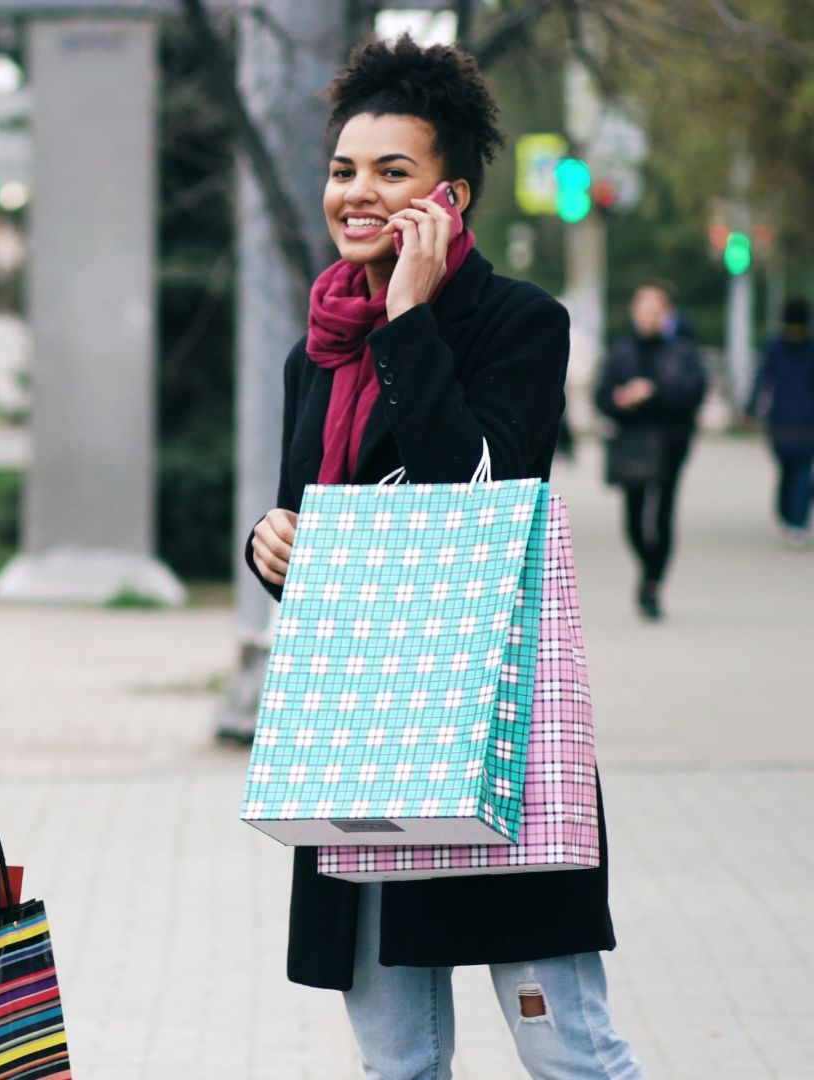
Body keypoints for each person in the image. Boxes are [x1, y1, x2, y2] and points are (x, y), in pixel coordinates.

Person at [244, 36, 643, 1079]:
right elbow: (310, 516)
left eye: (392, 171)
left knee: (572, 1052)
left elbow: (474, 495)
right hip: (361, 736)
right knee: (399, 1064)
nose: (357, 194)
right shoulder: (316, 353)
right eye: (343, 170)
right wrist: (269, 542)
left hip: (483, 723)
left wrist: (411, 317)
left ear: (450, 196)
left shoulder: (518, 325)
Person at [594, 280, 708, 620]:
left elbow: (693, 393)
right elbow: (601, 397)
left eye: (656, 308)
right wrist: (620, 399)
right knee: (633, 521)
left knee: (662, 516)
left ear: (667, 314)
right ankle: (649, 567)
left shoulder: (682, 352)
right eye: (643, 307)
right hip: (632, 446)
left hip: (671, 444)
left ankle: (652, 584)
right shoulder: (620, 353)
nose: (649, 315)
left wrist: (655, 392)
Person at [748, 296, 814, 548]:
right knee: (797, 472)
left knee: (792, 472)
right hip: (803, 421)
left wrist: (751, 408)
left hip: (784, 421)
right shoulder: (804, 347)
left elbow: (762, 379)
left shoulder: (775, 346)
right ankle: (795, 519)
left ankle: (793, 517)